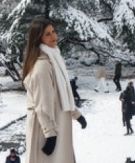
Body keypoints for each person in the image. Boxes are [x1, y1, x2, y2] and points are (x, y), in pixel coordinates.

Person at [21, 19, 87, 162]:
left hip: (58, 124)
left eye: (53, 32)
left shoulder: (54, 60)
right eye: (47, 34)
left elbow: (61, 94)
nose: (53, 37)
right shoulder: (42, 66)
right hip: (46, 128)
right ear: (39, 38)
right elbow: (42, 103)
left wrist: (76, 114)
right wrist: (50, 134)